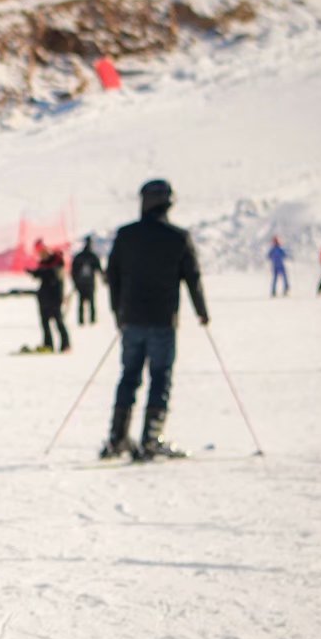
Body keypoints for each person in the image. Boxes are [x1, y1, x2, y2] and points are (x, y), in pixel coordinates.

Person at [102, 179, 209, 461]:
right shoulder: (178, 237)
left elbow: (111, 276)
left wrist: (118, 313)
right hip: (163, 320)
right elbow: (193, 278)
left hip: (131, 321)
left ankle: (117, 438)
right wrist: (202, 312)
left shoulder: (126, 235)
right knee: (160, 377)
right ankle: (151, 438)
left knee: (129, 377)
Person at [27, 240, 70, 352]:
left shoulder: (57, 260)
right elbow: (44, 276)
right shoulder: (43, 263)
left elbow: (54, 276)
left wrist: (40, 273)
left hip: (55, 297)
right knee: (45, 323)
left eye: (42, 252)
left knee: (58, 321)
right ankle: (48, 345)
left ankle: (66, 345)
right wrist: (35, 273)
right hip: (44, 296)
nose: (41, 255)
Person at [70, 236, 102, 324]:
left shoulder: (83, 256)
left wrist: (75, 281)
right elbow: (99, 269)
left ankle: (86, 320)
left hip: (84, 283)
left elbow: (73, 271)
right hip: (86, 283)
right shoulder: (91, 256)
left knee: (86, 303)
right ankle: (87, 320)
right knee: (87, 303)